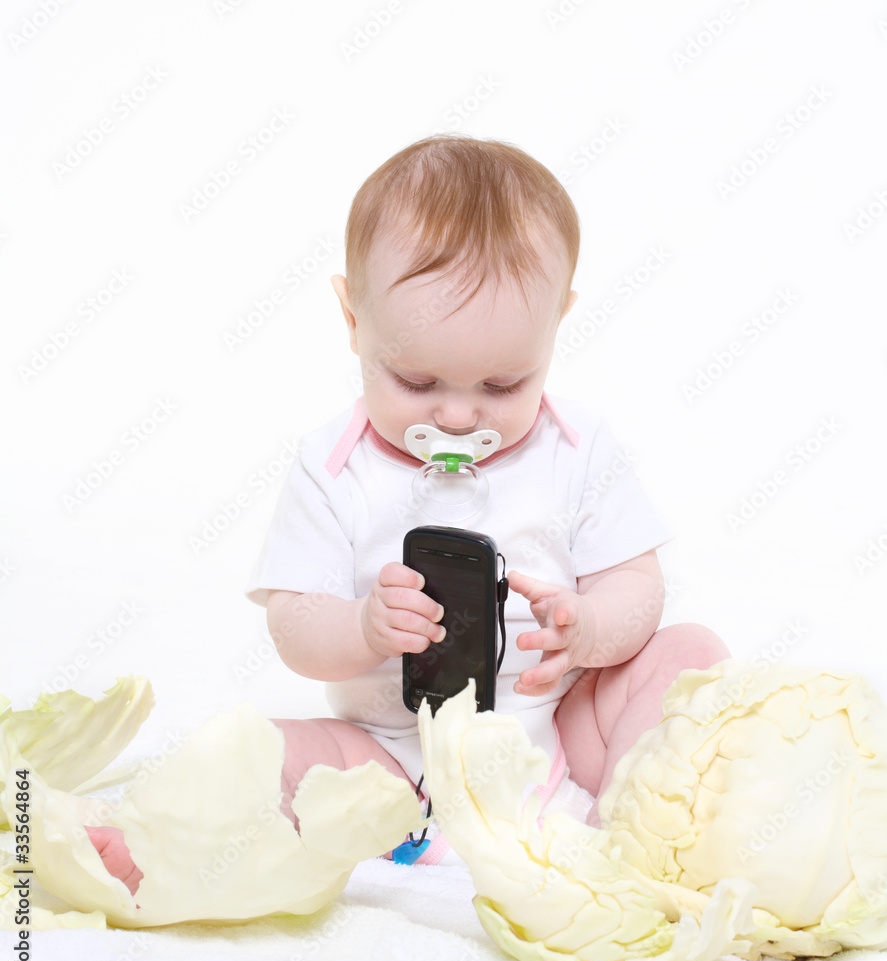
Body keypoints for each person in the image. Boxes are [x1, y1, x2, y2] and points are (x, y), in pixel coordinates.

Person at [89, 134, 729, 887]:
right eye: (417, 382)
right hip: (390, 757)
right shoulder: (333, 467)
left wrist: (590, 626)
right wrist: (362, 628)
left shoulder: (576, 447)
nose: (457, 415)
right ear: (352, 320)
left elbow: (638, 586)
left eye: (502, 385)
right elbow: (294, 626)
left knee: (689, 653)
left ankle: (637, 826)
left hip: (558, 737)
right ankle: (157, 839)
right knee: (267, 753)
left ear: (557, 322)